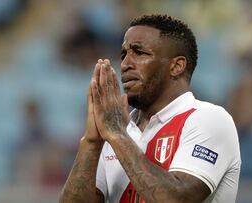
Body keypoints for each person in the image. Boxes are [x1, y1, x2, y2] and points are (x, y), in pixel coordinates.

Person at [60, 14, 241, 203]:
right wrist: (92, 141)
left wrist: (116, 134)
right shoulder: (117, 131)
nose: (125, 64)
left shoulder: (208, 119)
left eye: (139, 53)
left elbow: (177, 199)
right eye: (123, 55)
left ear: (176, 66)